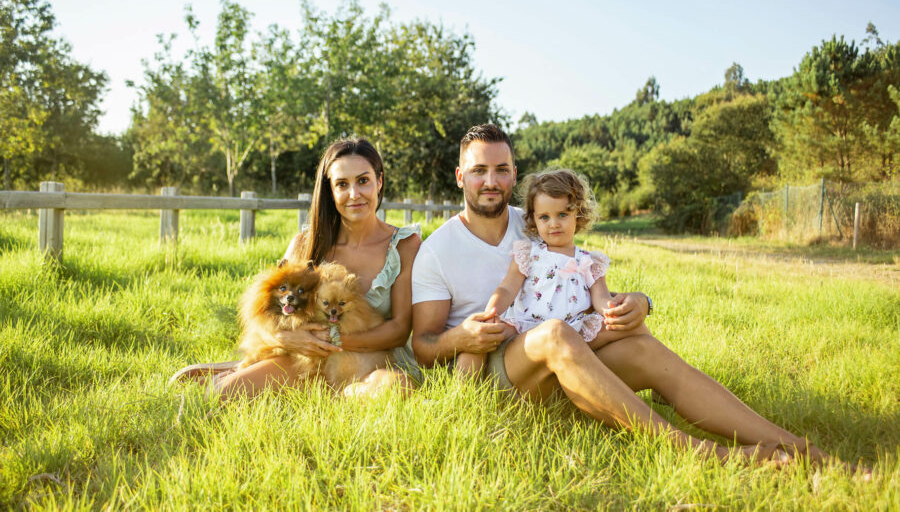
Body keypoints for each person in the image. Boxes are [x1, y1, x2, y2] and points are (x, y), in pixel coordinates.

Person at [411, 123, 829, 465]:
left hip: (568, 352)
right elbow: (424, 346)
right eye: (479, 170)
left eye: (501, 169)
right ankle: (703, 454)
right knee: (555, 334)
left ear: (515, 174)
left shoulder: (541, 218)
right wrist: (460, 337)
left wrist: (640, 303)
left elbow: (585, 285)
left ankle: (801, 449)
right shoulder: (437, 251)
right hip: (504, 372)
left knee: (642, 345)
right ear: (460, 176)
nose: (490, 180)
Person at [173, 138, 421, 400]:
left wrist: (327, 341)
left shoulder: (404, 245)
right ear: (330, 190)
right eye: (342, 184)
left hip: (373, 360)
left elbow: (399, 330)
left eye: (363, 181)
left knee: (394, 390)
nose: (354, 194)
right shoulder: (305, 244)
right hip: (308, 361)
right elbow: (269, 313)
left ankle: (326, 394)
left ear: (379, 181)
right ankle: (240, 373)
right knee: (222, 395)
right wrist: (284, 339)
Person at [456, 168, 614, 377]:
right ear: (534, 219)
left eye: (563, 214)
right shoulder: (529, 253)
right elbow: (507, 286)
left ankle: (654, 377)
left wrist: (611, 310)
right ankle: (463, 391)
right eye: (544, 217)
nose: (554, 224)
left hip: (571, 330)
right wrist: (492, 311)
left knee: (625, 327)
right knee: (481, 336)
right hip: (524, 324)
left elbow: (601, 296)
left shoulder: (588, 261)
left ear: (579, 213)